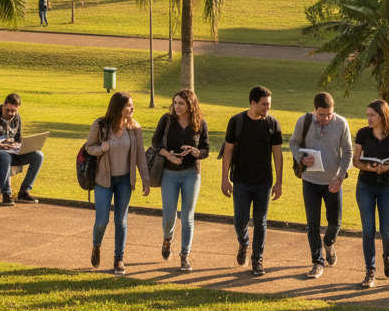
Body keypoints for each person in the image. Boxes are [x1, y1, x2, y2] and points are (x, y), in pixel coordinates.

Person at [85, 90, 150, 276]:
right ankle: (96, 246)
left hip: (124, 180)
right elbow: (89, 147)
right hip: (103, 179)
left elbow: (140, 156)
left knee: (121, 221)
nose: (132, 108)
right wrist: (101, 148)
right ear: (118, 107)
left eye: (132, 105)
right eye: (128, 105)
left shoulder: (135, 128)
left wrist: (145, 179)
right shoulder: (100, 125)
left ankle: (118, 259)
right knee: (102, 221)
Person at [289, 91, 353, 279]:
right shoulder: (304, 121)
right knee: (312, 225)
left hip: (333, 181)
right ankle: (317, 262)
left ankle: (329, 242)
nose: (325, 118)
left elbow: (348, 151)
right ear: (314, 110)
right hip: (310, 181)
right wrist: (301, 157)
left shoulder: (341, 123)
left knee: (335, 222)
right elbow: (293, 143)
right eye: (321, 114)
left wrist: (340, 177)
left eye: (329, 114)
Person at [222, 86, 283, 278]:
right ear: (253, 103)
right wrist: (224, 179)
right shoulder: (237, 121)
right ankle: (244, 242)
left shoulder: (273, 123)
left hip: (264, 182)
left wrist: (279, 182)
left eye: (269, 104)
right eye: (264, 104)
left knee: (260, 221)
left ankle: (257, 259)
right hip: (240, 181)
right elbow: (228, 151)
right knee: (240, 221)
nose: (267, 108)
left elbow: (278, 154)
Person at [153, 88, 209, 270]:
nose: (177, 106)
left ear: (190, 105)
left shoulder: (200, 123)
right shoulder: (167, 120)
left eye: (181, 103)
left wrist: (195, 151)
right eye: (175, 103)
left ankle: (185, 255)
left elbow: (206, 150)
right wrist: (169, 156)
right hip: (169, 173)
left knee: (187, 216)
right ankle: (167, 239)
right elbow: (154, 143)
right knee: (169, 216)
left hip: (191, 173)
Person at [353, 98, 389, 288]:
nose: (368, 119)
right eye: (367, 115)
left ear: (382, 116)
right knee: (368, 231)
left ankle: (388, 256)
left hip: (387, 186)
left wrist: (386, 167)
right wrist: (370, 166)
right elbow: (355, 161)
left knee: (386, 231)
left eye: (372, 115)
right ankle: (370, 271)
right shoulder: (362, 134)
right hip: (365, 186)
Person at [0, 92, 44, 205]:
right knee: (5, 156)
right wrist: (1, 145)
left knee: (38, 155)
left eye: (14, 111)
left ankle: (24, 191)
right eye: (8, 110)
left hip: (12, 153)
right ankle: (6, 194)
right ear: (3, 105)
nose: (11, 113)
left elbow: (19, 138)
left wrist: (22, 145)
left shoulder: (17, 118)